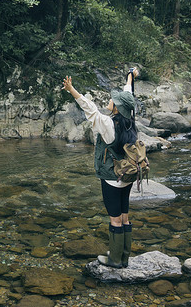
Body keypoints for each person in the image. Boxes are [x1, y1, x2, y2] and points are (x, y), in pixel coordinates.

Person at [62, 68, 139, 268]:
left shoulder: (108, 125)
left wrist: (72, 90)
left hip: (112, 178)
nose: (111, 100)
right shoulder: (130, 119)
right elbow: (128, 91)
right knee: (125, 216)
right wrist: (130, 75)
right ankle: (124, 257)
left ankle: (114, 260)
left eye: (114, 100)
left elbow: (90, 110)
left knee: (115, 220)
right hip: (127, 176)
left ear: (117, 108)